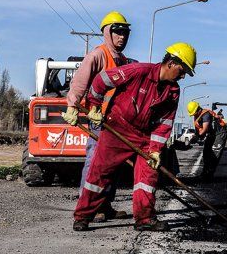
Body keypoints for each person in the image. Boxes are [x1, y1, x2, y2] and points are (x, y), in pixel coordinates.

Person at [72, 42, 198, 232]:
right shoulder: (139, 71)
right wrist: (94, 106)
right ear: (171, 63)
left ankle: (144, 219)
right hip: (117, 129)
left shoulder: (173, 91)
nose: (182, 76)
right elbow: (102, 80)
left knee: (148, 177)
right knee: (99, 173)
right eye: (182, 70)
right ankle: (83, 216)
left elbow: (165, 123)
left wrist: (155, 150)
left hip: (144, 137)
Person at [62, 11, 134, 222]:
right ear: (107, 33)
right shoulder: (97, 55)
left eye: (125, 33)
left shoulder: (121, 60)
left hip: (116, 122)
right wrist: (72, 106)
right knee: (95, 163)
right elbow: (79, 83)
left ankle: (105, 204)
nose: (122, 37)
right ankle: (89, 207)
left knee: (111, 166)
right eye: (118, 32)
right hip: (98, 121)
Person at [186, 101, 227, 180]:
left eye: (194, 113)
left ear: (198, 109)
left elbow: (204, 130)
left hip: (219, 133)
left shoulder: (206, 115)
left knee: (214, 154)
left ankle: (209, 175)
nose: (194, 115)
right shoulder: (197, 118)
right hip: (212, 134)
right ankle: (204, 174)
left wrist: (196, 137)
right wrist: (193, 140)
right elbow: (199, 133)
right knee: (206, 152)